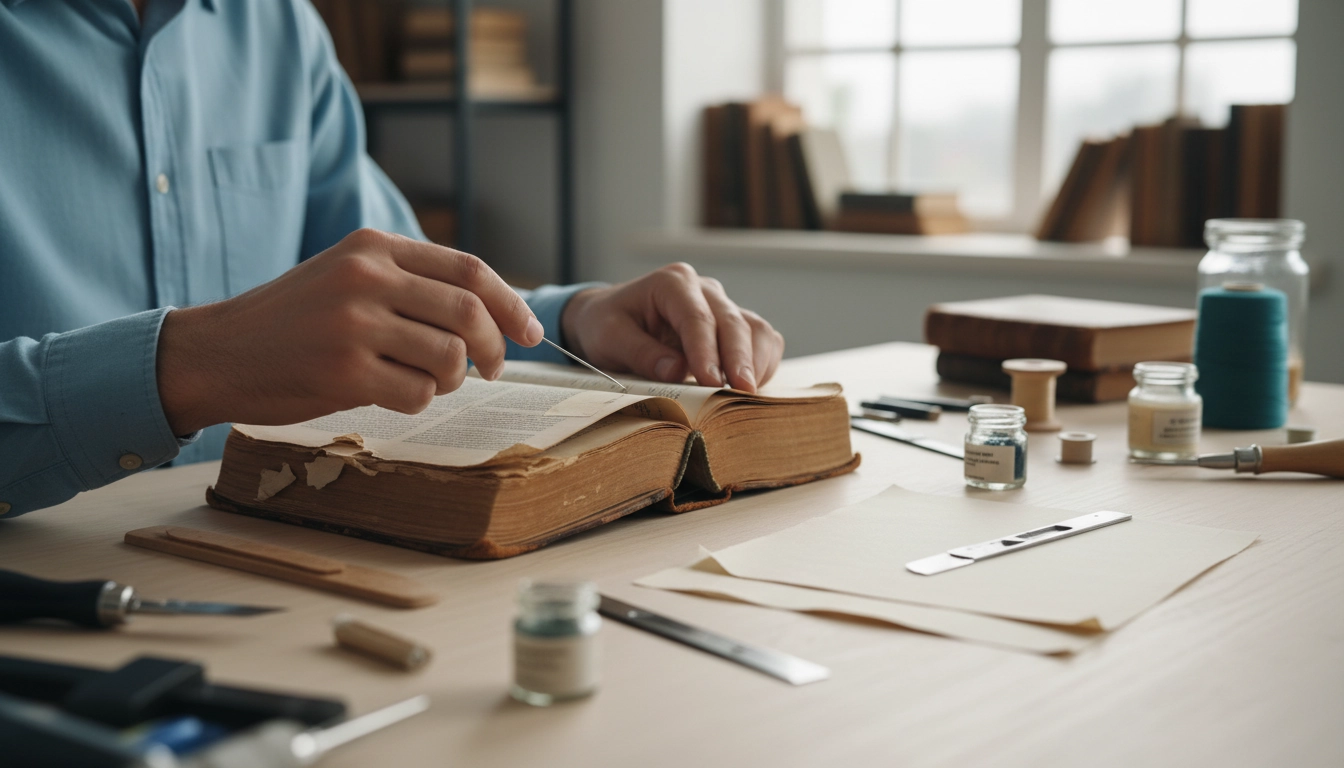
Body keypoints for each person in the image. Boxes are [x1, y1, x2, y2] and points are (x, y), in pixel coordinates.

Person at [0, 0, 783, 519]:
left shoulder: (278, 25)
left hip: (268, 557)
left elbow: (404, 298)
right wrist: (186, 368)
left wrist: (578, 319)